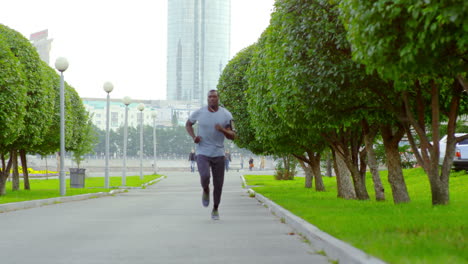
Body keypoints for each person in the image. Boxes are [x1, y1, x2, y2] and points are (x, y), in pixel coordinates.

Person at [185, 89, 236, 220]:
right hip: (202, 151)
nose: (212, 99)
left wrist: (222, 130)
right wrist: (193, 137)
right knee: (205, 175)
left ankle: (215, 209)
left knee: (218, 184)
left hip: (218, 153)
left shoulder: (226, 114)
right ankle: (206, 190)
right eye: (209, 97)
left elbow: (232, 136)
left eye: (214, 97)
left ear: (218, 98)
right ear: (207, 99)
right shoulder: (199, 112)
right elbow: (188, 124)